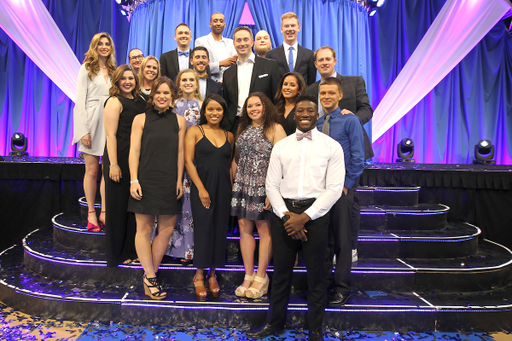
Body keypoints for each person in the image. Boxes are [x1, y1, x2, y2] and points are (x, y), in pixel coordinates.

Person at [247, 95, 345, 341]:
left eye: (310, 110)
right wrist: (287, 216)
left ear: (317, 113)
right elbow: (271, 185)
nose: (304, 114)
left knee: (317, 275)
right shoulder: (282, 146)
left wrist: (305, 217)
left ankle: (315, 330)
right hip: (285, 214)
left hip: (317, 214)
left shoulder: (332, 146)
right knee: (280, 274)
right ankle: (275, 324)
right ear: (294, 114)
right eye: (300, 110)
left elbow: (334, 189)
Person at [307, 46, 374, 261]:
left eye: (328, 59)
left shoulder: (354, 82)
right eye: (320, 60)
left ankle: (350, 247)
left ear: (335, 61)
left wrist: (350, 119)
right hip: (319, 158)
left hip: (348, 152)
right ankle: (328, 248)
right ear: (315, 64)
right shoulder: (310, 89)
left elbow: (367, 109)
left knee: (349, 204)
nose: (324, 63)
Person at [128, 77, 186, 299]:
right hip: (145, 179)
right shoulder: (140, 119)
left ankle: (149, 273)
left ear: (173, 98)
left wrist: (179, 179)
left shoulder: (179, 121)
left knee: (167, 230)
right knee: (143, 229)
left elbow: (180, 152)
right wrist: (134, 180)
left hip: (169, 180)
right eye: (159, 93)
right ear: (152, 96)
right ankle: (151, 277)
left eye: (167, 93)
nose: (162, 96)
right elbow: (134, 152)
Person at [231, 93, 286, 299]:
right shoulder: (242, 128)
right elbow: (237, 157)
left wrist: (274, 192)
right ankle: (248, 275)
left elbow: (282, 162)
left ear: (266, 106)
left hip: (265, 186)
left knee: (265, 231)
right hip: (243, 184)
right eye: (249, 106)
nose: (253, 109)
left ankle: (262, 277)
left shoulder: (275, 128)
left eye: (258, 105)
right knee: (244, 229)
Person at [316, 77, 365, 307]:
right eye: (323, 93)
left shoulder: (350, 121)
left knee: (343, 242)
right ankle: (323, 284)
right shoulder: (317, 123)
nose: (326, 97)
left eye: (331, 93)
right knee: (324, 240)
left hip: (342, 190)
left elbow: (358, 156)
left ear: (340, 95)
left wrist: (345, 184)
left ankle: (342, 288)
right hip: (320, 191)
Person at [185, 94, 234, 301]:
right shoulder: (195, 131)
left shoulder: (229, 135)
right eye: (210, 109)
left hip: (224, 188)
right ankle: (198, 275)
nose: (214, 113)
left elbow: (229, 164)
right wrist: (201, 189)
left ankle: (213, 274)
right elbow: (188, 161)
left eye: (218, 110)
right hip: (201, 186)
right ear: (204, 111)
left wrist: (232, 189)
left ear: (224, 112)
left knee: (219, 230)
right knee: (204, 229)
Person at [103, 64, 147, 267]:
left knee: (133, 207)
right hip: (118, 158)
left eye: (131, 78)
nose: (128, 82)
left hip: (135, 159)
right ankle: (117, 253)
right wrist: (113, 164)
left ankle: (132, 249)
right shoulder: (113, 101)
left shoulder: (141, 100)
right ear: (117, 81)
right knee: (118, 207)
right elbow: (110, 135)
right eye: (124, 78)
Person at [73, 32, 116, 232]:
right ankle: (91, 212)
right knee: (92, 171)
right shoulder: (86, 68)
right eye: (101, 44)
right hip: (91, 122)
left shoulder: (115, 70)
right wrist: (83, 130)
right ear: (95, 46)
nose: (104, 47)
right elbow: (79, 101)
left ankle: (105, 211)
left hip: (110, 122)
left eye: (107, 44)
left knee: (108, 171)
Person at [167, 69, 203, 265]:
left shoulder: (204, 105)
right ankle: (169, 248)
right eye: (184, 80)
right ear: (178, 83)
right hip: (174, 160)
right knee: (174, 206)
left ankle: (188, 251)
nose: (188, 82)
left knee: (190, 208)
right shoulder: (172, 106)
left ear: (197, 83)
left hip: (195, 163)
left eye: (192, 79)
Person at [223, 26, 280, 134]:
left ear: (252, 42)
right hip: (235, 124)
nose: (242, 43)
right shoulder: (227, 73)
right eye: (238, 40)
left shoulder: (270, 66)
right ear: (234, 44)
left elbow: (277, 98)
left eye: (245, 39)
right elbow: (227, 103)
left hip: (263, 123)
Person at [265, 13, 316, 86]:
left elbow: (311, 83)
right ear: (281, 29)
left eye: (293, 25)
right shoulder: (270, 55)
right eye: (286, 26)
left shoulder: (310, 55)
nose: (289, 29)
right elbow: (269, 82)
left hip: (302, 97)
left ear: (299, 28)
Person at [195, 13, 237, 83]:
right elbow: (199, 66)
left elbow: (235, 64)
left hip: (229, 84)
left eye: (221, 21)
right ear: (210, 24)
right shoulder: (201, 41)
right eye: (215, 21)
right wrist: (220, 63)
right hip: (210, 83)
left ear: (224, 25)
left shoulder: (231, 43)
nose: (218, 23)